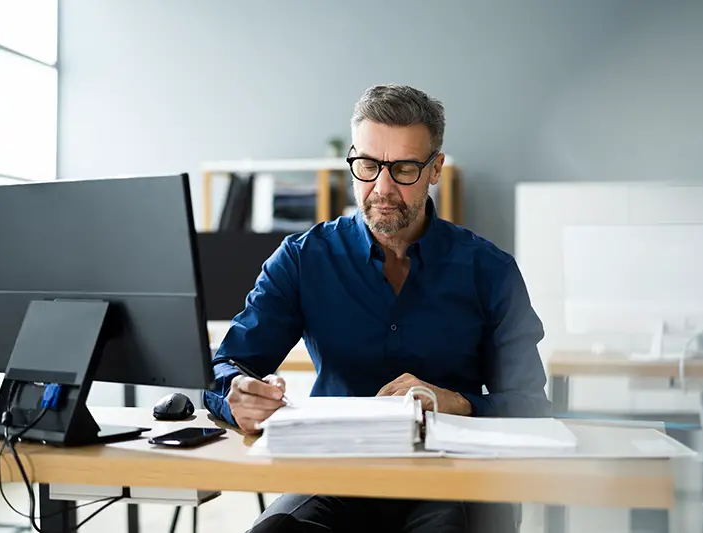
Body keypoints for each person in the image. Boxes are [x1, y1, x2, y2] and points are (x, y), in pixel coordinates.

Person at [203, 83, 551, 532]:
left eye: (404, 168)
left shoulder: (491, 271)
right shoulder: (302, 259)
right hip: (335, 475)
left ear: (435, 169)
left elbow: (530, 407)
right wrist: (238, 397)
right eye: (367, 165)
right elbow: (225, 368)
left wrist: (459, 403)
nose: (381, 188)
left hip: (457, 478)